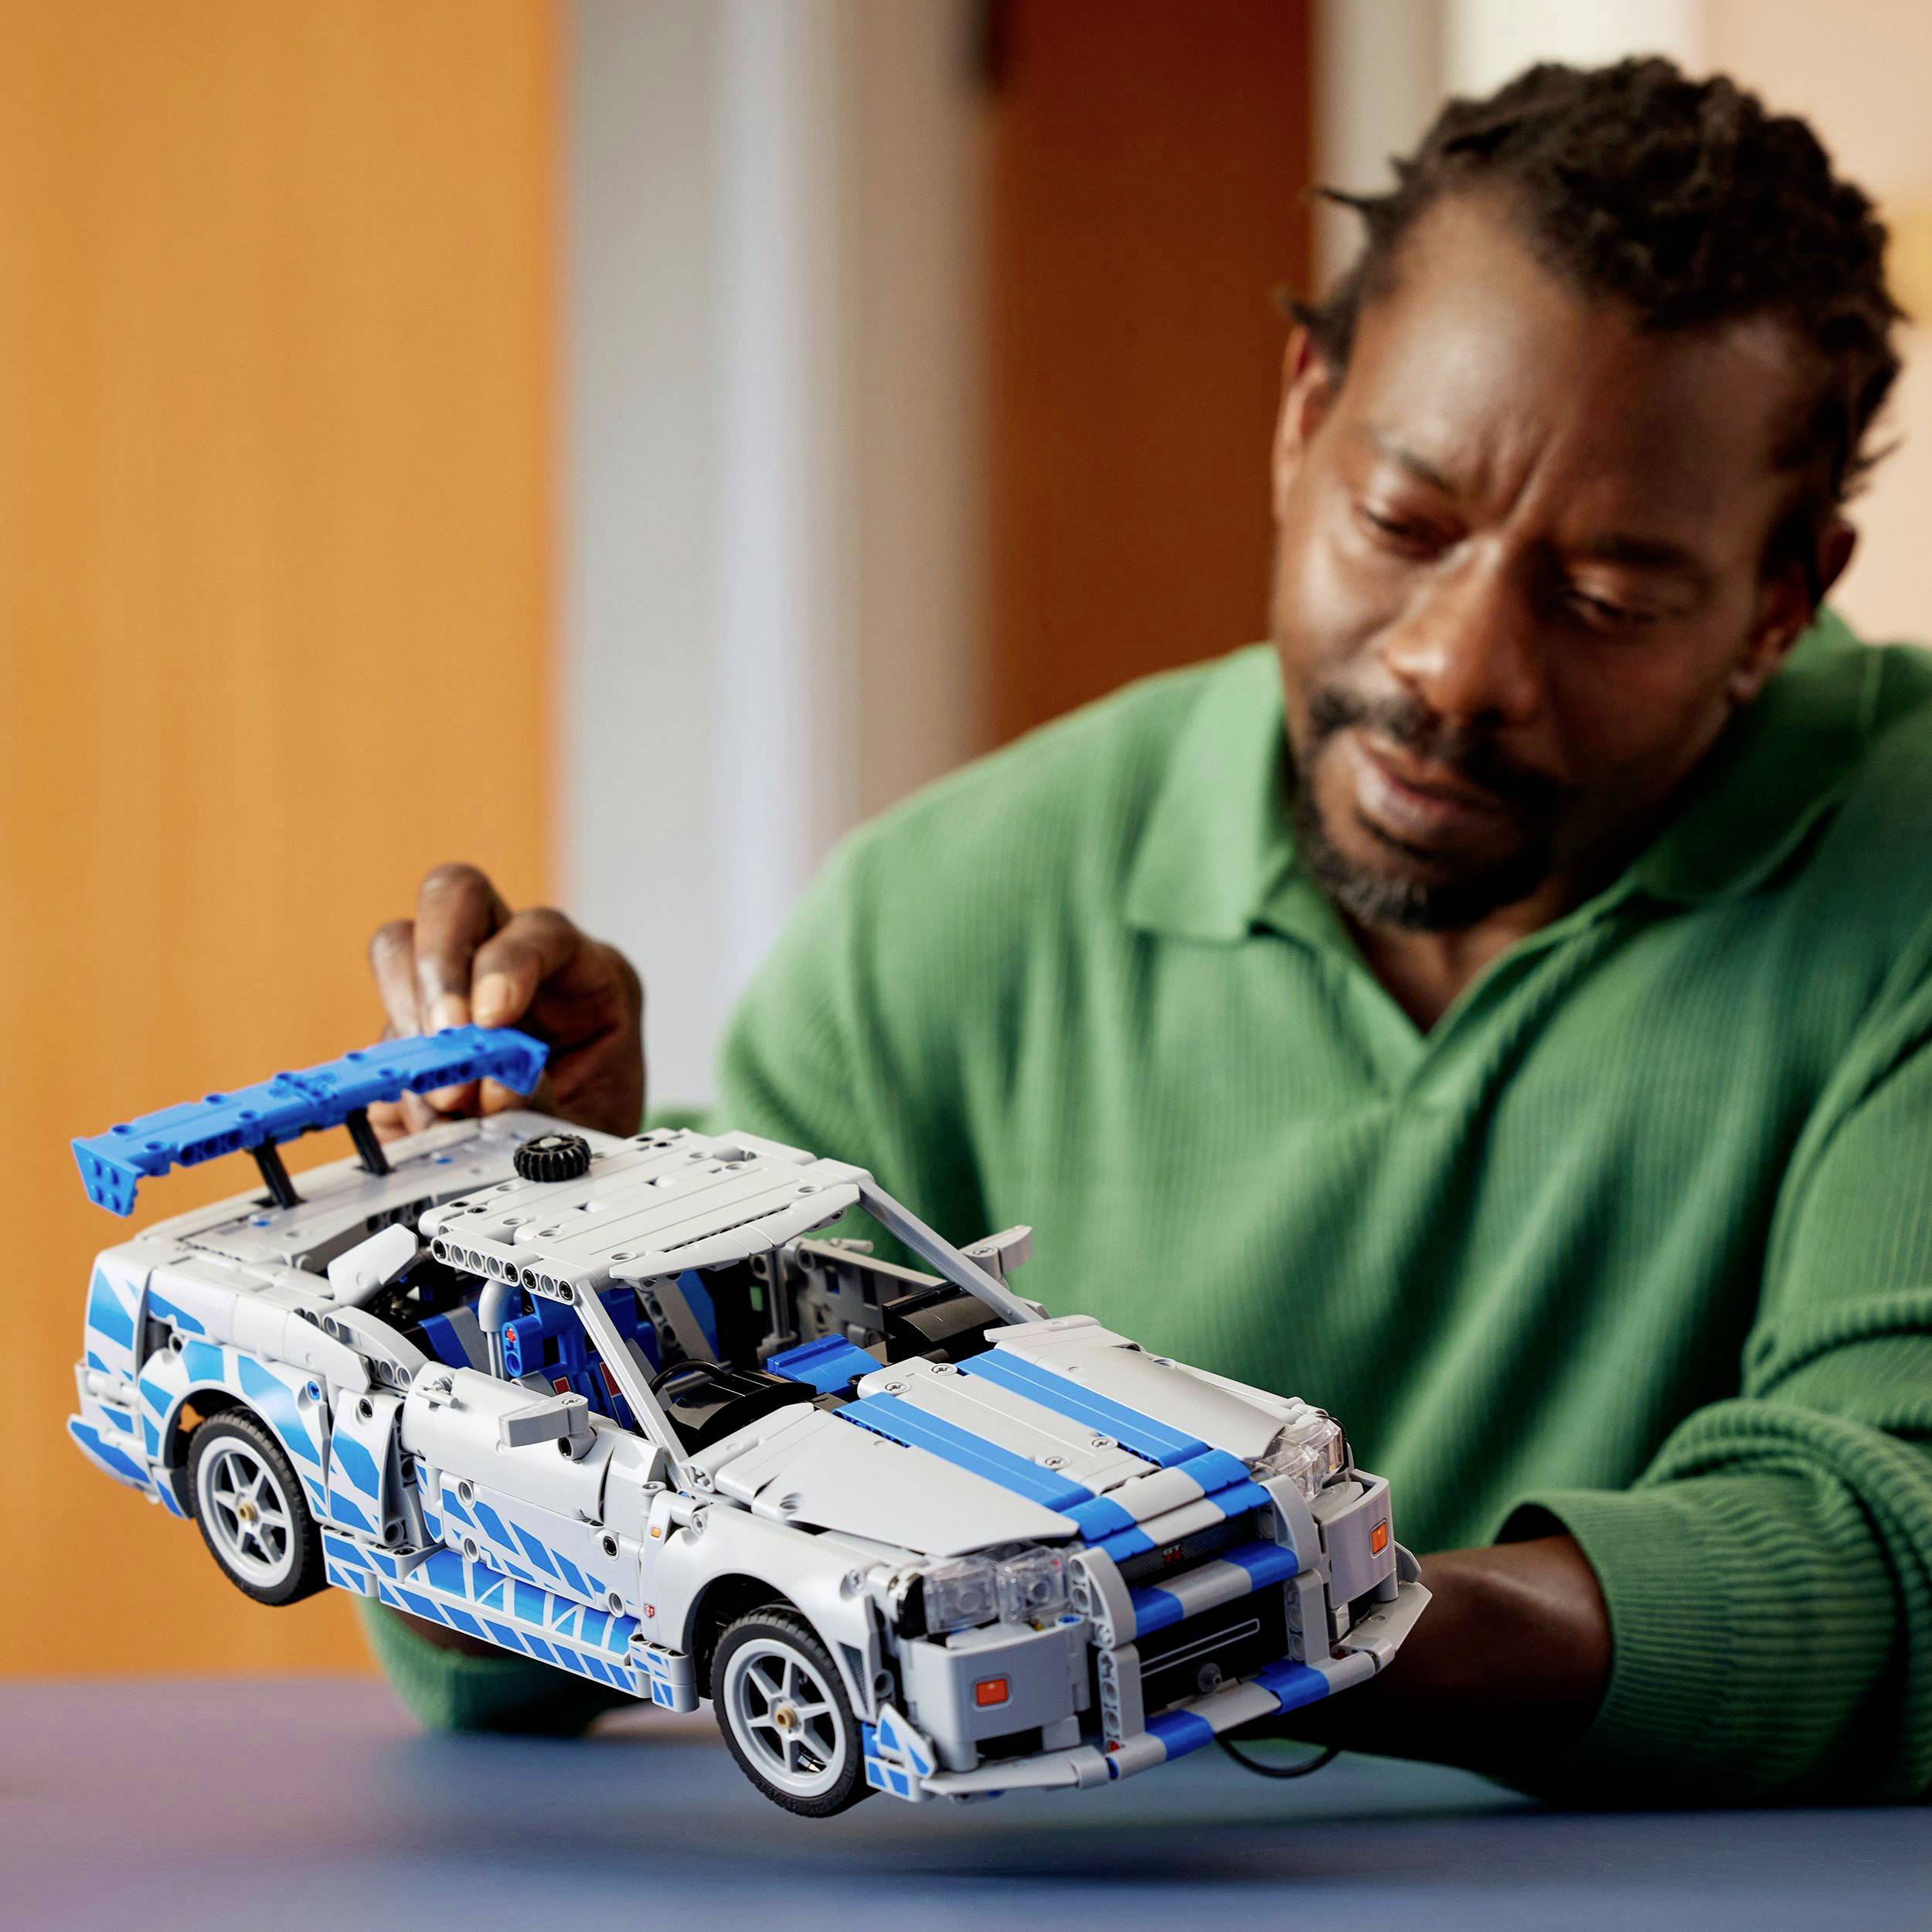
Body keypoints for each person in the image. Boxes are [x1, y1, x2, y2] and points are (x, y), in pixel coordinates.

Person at [359, 60, 1932, 1803]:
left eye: (1606, 597)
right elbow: (511, 1652)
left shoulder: (1907, 875)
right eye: (1401, 524)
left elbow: (1896, 1554)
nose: (1453, 666)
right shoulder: (943, 916)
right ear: (1296, 415)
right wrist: (539, 1260)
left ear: (1778, 603)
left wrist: (1230, 1622)